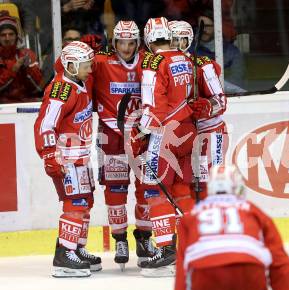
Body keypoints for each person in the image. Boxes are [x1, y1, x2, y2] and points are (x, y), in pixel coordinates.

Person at [131, 16, 197, 276]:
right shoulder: (185, 58)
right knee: (181, 189)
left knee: (153, 190)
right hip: (187, 131)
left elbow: (152, 106)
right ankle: (194, 245)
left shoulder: (152, 61)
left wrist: (140, 132)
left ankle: (166, 250)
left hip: (165, 134)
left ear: (148, 40)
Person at [92, 20, 158, 270]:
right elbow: (64, 68)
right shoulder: (100, 62)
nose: (127, 47)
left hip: (143, 134)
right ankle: (119, 239)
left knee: (147, 187)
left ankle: (143, 238)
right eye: (122, 42)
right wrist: (80, 45)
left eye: (131, 42)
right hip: (111, 134)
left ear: (138, 42)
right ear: (114, 41)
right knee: (115, 188)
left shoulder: (148, 61)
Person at [34, 41, 101, 277]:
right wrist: (50, 154)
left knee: (86, 202)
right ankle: (64, 254)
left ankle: (76, 248)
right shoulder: (61, 89)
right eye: (86, 65)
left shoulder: (79, 82)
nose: (90, 69)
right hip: (66, 159)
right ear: (71, 66)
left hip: (81, 158)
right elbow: (45, 124)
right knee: (75, 204)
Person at [174, 165, 289, 290]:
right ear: (238, 187)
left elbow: (183, 270)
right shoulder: (254, 211)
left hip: (205, 270)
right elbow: (281, 263)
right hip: (248, 268)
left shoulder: (192, 216)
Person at [169, 20, 228, 204]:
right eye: (173, 40)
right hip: (184, 135)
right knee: (186, 185)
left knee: (208, 184)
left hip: (209, 132)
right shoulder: (163, 65)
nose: (178, 44)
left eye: (182, 40)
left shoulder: (203, 64)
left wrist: (206, 105)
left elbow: (221, 101)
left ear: (189, 41)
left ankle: (215, 227)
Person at [194, 10, 245, 91]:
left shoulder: (231, 51)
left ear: (216, 27)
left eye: (207, 26)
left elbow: (237, 78)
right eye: (200, 26)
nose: (203, 30)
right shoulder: (191, 50)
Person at [0, 11, 42, 103]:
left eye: (11, 34)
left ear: (16, 36)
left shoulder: (28, 54)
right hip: (3, 106)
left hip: (26, 102)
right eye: (3, 35)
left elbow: (38, 88)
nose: (7, 38)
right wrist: (13, 71)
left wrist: (27, 70)